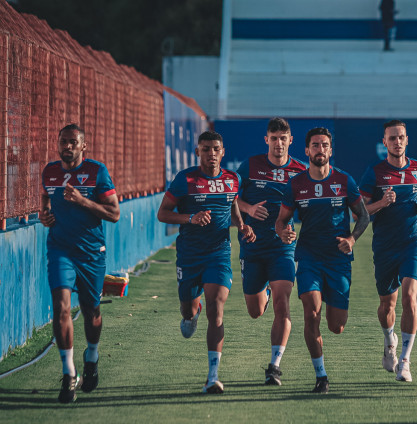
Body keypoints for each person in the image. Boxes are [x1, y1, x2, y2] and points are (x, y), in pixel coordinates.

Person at [157, 130, 255, 395]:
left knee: (217, 307)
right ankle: (193, 312)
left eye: (216, 149)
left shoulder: (232, 179)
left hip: (218, 253)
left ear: (223, 152)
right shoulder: (185, 179)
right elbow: (162, 214)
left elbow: (233, 208)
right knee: (188, 311)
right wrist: (190, 218)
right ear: (197, 152)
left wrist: (243, 226)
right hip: (189, 255)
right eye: (206, 149)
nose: (211, 154)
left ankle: (213, 377)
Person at [275, 127, 370, 393]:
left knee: (336, 325)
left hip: (338, 260)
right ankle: (321, 375)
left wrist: (351, 240)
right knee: (311, 313)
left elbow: (363, 216)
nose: (319, 149)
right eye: (315, 145)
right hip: (308, 258)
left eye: (324, 145)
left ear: (331, 150)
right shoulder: (296, 184)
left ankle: (332, 324)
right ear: (306, 151)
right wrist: (284, 232)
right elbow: (281, 221)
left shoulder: (344, 180)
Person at [40, 124, 120, 404]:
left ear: (83, 146)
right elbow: (46, 201)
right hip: (60, 250)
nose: (68, 146)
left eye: (73, 142)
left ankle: (92, 356)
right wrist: (45, 215)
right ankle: (68, 373)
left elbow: (114, 213)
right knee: (61, 308)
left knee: (91, 311)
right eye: (64, 141)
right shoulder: (49, 171)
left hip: (91, 254)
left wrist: (83, 201)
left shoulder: (97, 171)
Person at [236, 117, 307, 386]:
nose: (279, 143)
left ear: (291, 140)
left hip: (283, 248)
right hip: (253, 246)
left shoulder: (301, 169)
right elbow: (232, 196)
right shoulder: (250, 165)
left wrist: (296, 230)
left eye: (283, 138)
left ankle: (274, 365)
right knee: (255, 312)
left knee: (283, 304)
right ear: (267, 140)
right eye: (274, 138)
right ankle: (262, 291)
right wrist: (249, 209)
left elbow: (309, 205)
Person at [359, 120, 417, 382]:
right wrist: (382, 202)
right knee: (387, 304)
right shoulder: (374, 173)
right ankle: (390, 340)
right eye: (392, 138)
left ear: (407, 139)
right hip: (385, 245)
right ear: (384, 142)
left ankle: (405, 361)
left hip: (413, 241)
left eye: (401, 137)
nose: (397, 142)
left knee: (410, 297)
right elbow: (360, 211)